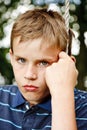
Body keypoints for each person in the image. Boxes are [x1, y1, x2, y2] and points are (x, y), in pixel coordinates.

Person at [0, 8, 86, 130]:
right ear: (12, 58)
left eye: (43, 63)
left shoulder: (84, 107)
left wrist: (62, 94)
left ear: (67, 66)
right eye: (21, 60)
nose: (29, 75)